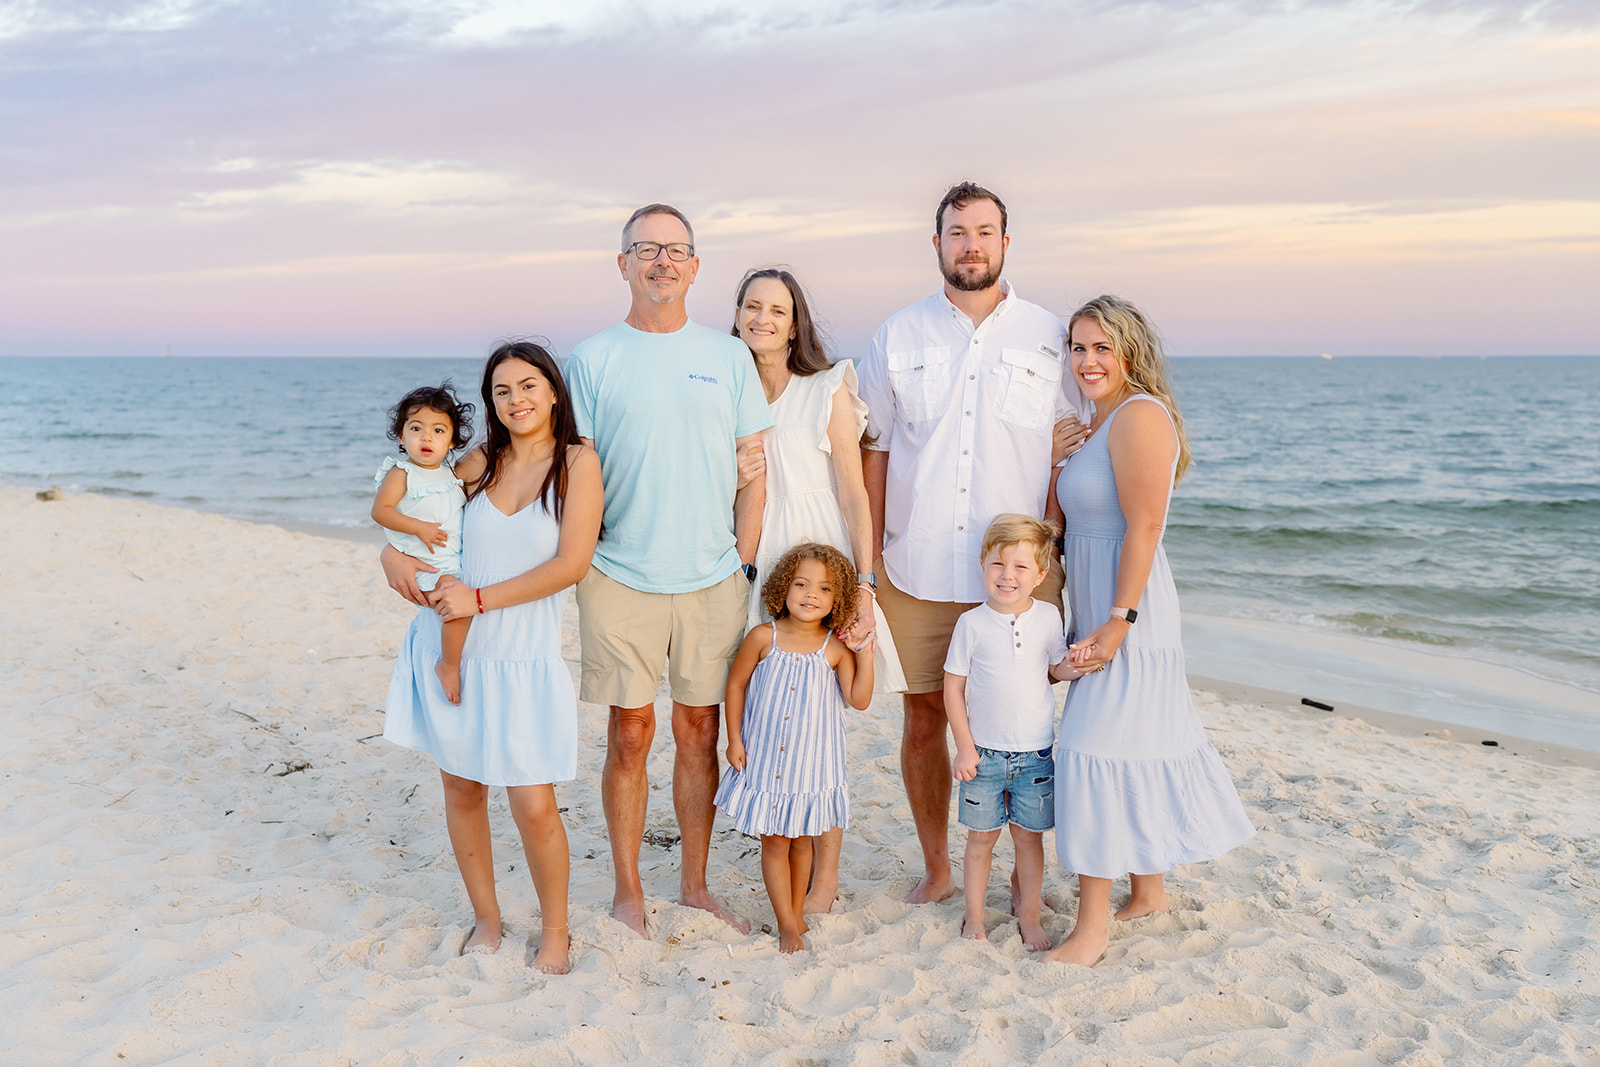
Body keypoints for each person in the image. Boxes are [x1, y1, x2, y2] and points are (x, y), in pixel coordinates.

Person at [857, 181, 1091, 904]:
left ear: (1005, 243)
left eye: (984, 232)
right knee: (925, 717)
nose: (971, 245)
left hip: (1022, 574)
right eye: (957, 232)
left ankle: (1031, 871)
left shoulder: (1049, 335)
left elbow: (1068, 452)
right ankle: (938, 866)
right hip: (917, 566)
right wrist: (864, 564)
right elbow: (874, 454)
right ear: (937, 244)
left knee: (1032, 724)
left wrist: (1049, 540)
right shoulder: (897, 336)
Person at [565, 203, 772, 938]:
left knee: (698, 729)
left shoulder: (728, 356)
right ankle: (627, 889)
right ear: (621, 263)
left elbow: (756, 474)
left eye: (676, 249)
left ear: (695, 265)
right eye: (645, 248)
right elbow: (570, 468)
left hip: (714, 576)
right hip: (618, 574)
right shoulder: (592, 359)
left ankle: (693, 883)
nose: (661, 260)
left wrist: (745, 564)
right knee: (628, 732)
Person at [1042, 295, 1254, 967]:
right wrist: (1052, 463)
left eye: (1102, 346)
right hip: (1101, 603)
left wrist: (1118, 620)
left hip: (1130, 610)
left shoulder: (1139, 416)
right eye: (1077, 347)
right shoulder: (1092, 423)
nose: (1088, 360)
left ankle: (1094, 924)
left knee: (1089, 746)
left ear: (1130, 352)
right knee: (1133, 739)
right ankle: (1150, 890)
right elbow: (1059, 529)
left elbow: (1146, 526)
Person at [380, 341, 603, 975]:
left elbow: (571, 564)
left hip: (522, 655)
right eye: (502, 391)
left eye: (528, 385)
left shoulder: (577, 463)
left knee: (534, 803)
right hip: (452, 647)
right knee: (462, 787)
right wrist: (390, 555)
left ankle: (556, 930)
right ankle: (488, 918)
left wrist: (478, 599)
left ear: (553, 391)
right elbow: (410, 508)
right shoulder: (478, 463)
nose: (516, 400)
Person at [730, 266, 906, 914]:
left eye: (778, 309)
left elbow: (855, 492)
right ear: (739, 314)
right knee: (774, 708)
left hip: (820, 563)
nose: (764, 318)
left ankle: (825, 872)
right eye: (753, 306)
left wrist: (862, 581)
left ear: (795, 321)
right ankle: (779, 839)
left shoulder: (826, 385)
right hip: (757, 562)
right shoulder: (731, 387)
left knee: (825, 722)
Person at [714, 543, 875, 952]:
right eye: (801, 584)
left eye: (824, 589)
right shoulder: (763, 637)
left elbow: (859, 699)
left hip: (811, 766)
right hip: (767, 761)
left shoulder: (835, 649)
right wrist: (733, 739)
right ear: (784, 587)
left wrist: (866, 653)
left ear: (836, 601)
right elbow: (735, 686)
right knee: (774, 842)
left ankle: (799, 912)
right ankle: (786, 922)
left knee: (803, 841)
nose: (810, 595)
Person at [944, 514, 1076, 952]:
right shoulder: (972, 624)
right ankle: (975, 917)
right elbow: (953, 687)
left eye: (1020, 567)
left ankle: (1029, 917)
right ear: (983, 565)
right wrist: (964, 747)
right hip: (982, 754)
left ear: (1040, 575)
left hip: (1035, 753)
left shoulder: (1048, 617)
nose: (1007, 576)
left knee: (1028, 839)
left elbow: (1054, 668)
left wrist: (1074, 665)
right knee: (981, 840)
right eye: (998, 564)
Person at [371, 383, 474, 705]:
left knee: (463, 602)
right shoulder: (402, 473)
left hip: (452, 559)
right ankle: (448, 665)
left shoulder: (450, 473)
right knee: (457, 607)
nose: (426, 438)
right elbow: (380, 511)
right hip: (426, 563)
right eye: (416, 428)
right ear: (401, 436)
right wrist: (419, 528)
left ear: (453, 440)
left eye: (438, 430)